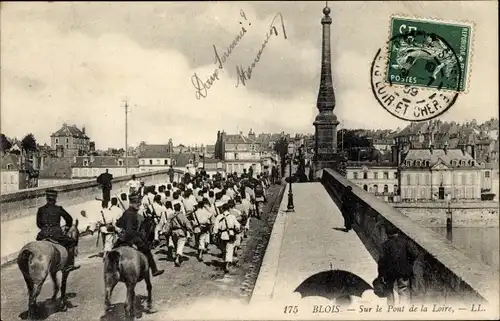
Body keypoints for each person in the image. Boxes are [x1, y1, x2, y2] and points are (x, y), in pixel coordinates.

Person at [114, 194, 164, 277]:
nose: (139, 206)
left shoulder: (126, 213)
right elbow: (130, 231)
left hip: (123, 237)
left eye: (139, 204)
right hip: (132, 237)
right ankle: (154, 270)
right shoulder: (132, 215)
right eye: (137, 204)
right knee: (147, 251)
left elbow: (118, 223)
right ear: (132, 204)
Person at [36, 189, 80, 273]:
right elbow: (69, 219)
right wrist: (66, 228)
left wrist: (45, 229)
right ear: (55, 199)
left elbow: (38, 224)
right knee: (72, 242)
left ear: (47, 198)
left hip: (42, 235)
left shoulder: (41, 209)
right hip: (56, 235)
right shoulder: (58, 209)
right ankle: (69, 265)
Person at [377, 224, 414, 305]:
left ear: (387, 234)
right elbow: (413, 255)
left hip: (389, 272)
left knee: (389, 289)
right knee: (403, 290)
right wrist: (409, 266)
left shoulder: (385, 245)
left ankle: (391, 307)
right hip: (403, 271)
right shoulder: (405, 243)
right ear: (398, 232)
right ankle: (402, 309)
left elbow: (381, 261)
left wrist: (380, 274)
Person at [213, 203, 241, 274]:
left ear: (222, 209)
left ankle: (225, 260)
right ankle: (227, 264)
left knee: (224, 248)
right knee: (230, 249)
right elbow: (237, 225)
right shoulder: (232, 216)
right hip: (230, 234)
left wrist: (215, 233)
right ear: (228, 209)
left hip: (222, 235)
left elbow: (216, 227)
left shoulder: (219, 217)